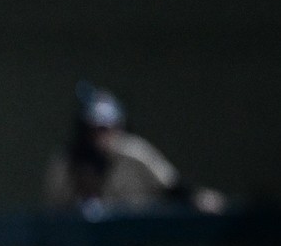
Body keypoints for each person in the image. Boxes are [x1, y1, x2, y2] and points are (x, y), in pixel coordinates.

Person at [43, 81, 225, 216]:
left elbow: (171, 185)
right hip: (82, 244)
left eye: (107, 128)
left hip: (126, 243)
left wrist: (197, 197)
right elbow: (54, 210)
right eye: (94, 129)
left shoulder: (134, 152)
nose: (101, 136)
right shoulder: (66, 160)